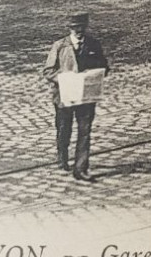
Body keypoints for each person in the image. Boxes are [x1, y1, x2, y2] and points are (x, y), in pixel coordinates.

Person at [42, 12, 110, 181]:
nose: (79, 31)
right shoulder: (59, 46)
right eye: (75, 28)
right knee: (64, 128)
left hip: (86, 96)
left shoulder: (94, 45)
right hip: (65, 96)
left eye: (81, 27)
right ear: (70, 29)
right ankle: (63, 157)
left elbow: (104, 67)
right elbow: (48, 71)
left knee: (84, 130)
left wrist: (95, 75)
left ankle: (80, 167)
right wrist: (64, 79)